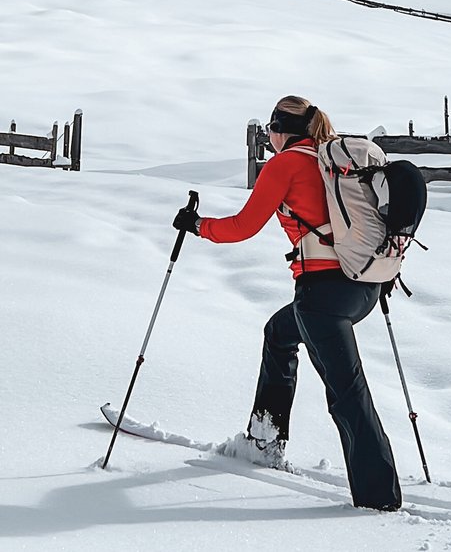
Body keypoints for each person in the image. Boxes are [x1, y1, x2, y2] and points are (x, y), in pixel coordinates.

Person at [172, 96, 402, 512]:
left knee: (348, 394)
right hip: (364, 287)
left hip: (322, 298)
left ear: (280, 130)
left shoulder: (286, 164)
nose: (268, 139)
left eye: (269, 131)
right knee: (279, 333)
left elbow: (244, 226)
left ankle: (378, 499)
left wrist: (198, 226)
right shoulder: (332, 160)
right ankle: (264, 439)